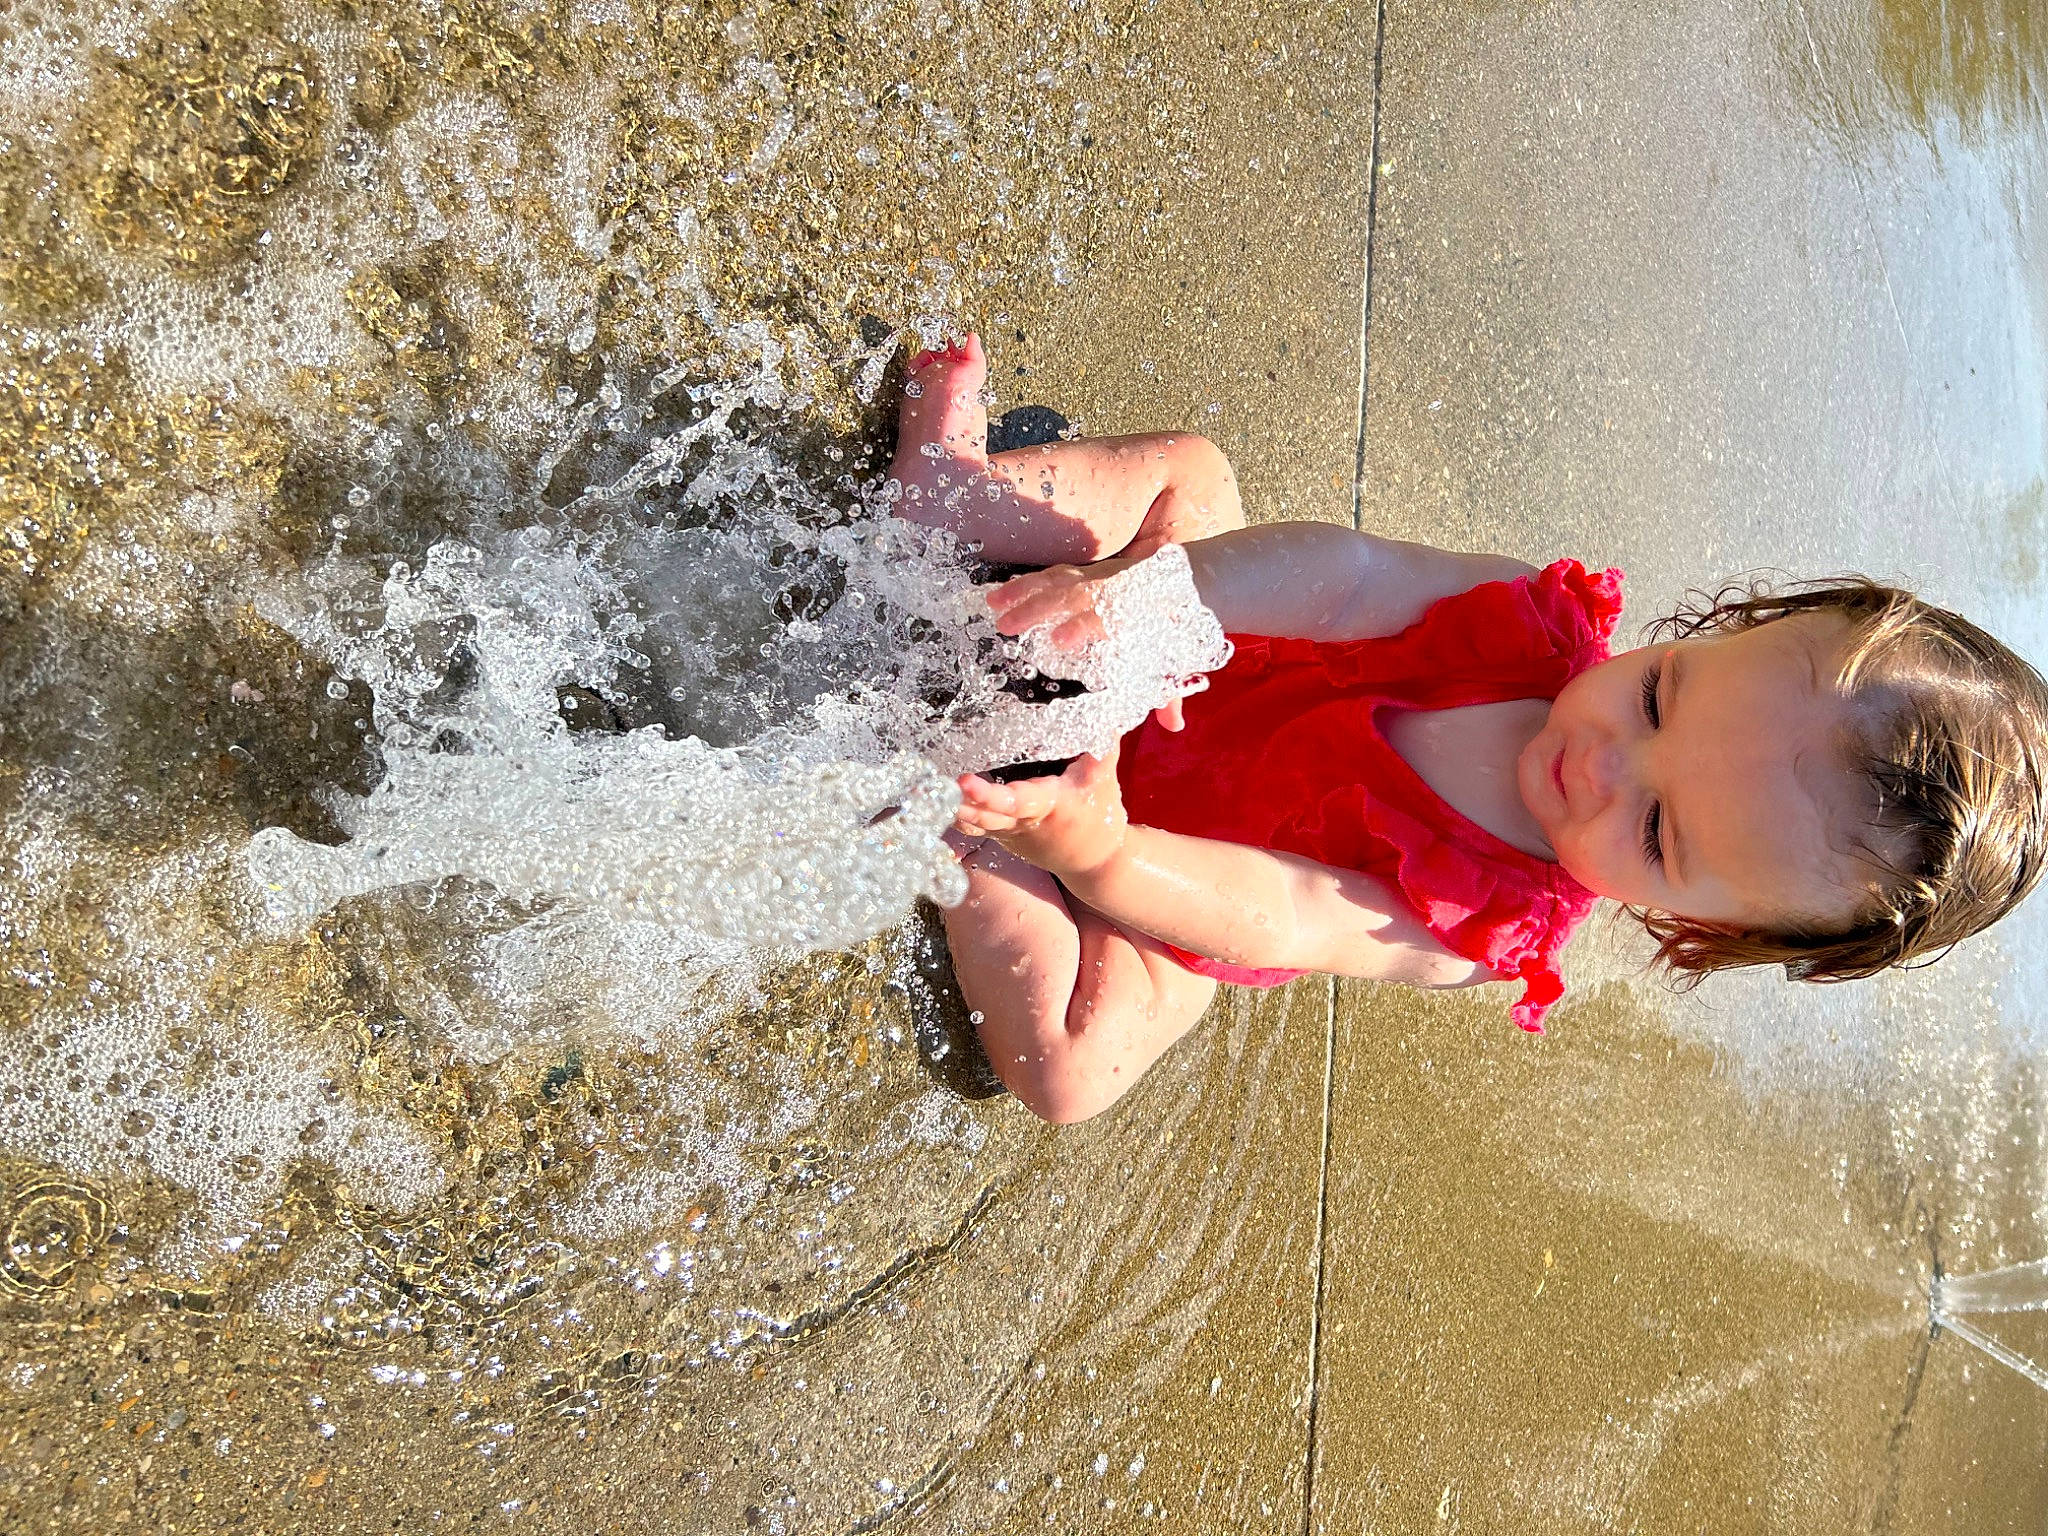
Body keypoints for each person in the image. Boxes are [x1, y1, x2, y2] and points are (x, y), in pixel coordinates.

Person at [884, 334, 2048, 1124]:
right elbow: (1336, 580)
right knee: (1190, 476)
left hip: (1166, 857)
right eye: (1658, 698)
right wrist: (1137, 603)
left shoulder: (1480, 924)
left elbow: (1282, 907)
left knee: (1076, 1067)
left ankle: (981, 834)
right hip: (1184, 657)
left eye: (1654, 828)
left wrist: (1097, 853)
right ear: (1720, 626)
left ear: (1697, 924)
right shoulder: (1521, 627)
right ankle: (960, 498)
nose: (1598, 761)